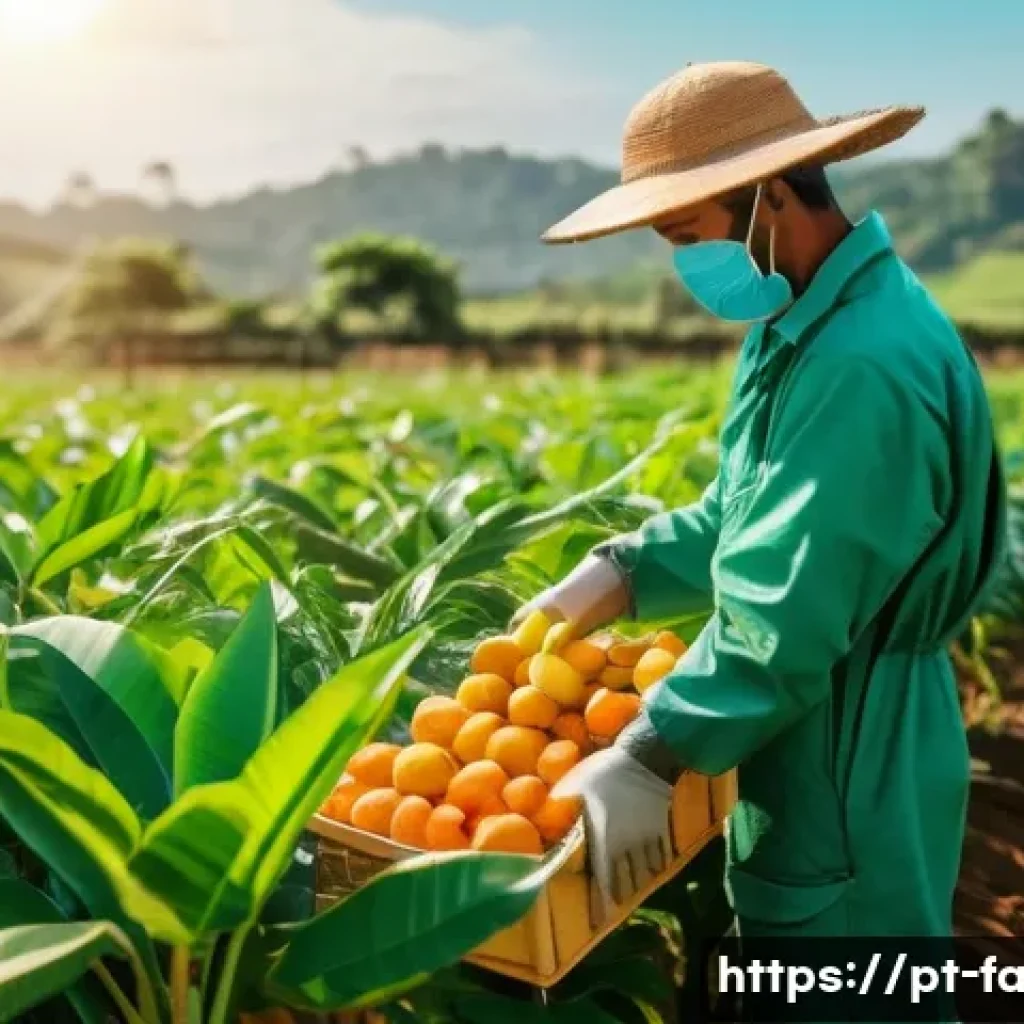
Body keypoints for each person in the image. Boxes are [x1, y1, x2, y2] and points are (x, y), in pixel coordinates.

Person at [516, 61, 1008, 940]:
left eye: (685, 230)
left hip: (853, 749)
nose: (682, 263)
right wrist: (622, 572)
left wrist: (651, 750)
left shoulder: (862, 363)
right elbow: (755, 515)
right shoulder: (805, 321)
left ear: (768, 194)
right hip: (821, 725)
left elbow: (791, 610)